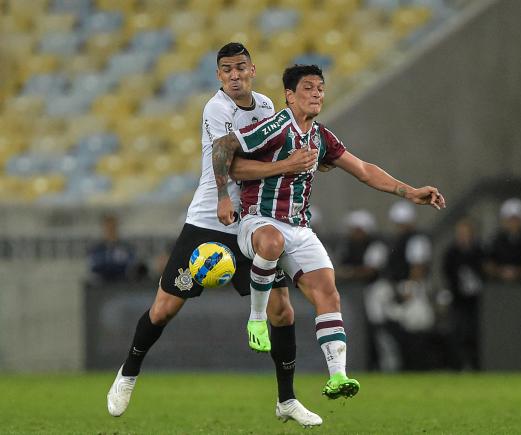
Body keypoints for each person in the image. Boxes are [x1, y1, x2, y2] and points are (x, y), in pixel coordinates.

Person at [107, 43, 322, 427]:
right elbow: (229, 160)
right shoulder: (216, 108)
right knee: (164, 309)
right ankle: (128, 372)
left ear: (252, 69)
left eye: (240, 67)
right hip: (209, 219)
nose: (234, 75)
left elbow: (274, 157)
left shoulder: (267, 107)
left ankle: (286, 399)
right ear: (219, 76)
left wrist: (307, 162)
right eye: (227, 70)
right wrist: (225, 195)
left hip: (253, 222)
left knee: (282, 310)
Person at [211, 64, 446, 398]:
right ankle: (256, 320)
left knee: (328, 293)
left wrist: (409, 191)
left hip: (299, 226)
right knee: (272, 241)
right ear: (289, 96)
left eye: (320, 88)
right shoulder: (276, 126)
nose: (317, 93)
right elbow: (223, 150)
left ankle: (338, 377)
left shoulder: (321, 136)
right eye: (307, 87)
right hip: (258, 220)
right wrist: (234, 192)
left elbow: (364, 170)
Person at [441, 217, 484, 370]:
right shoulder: (452, 253)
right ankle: (457, 365)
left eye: (466, 233)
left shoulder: (479, 251)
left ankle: (475, 365)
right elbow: (447, 273)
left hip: (476, 300)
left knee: (474, 333)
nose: (463, 236)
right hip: (458, 299)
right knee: (457, 332)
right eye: (461, 233)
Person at [484, 198, 521, 282]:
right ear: (503, 220)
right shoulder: (493, 239)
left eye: (517, 219)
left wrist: (517, 272)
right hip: (497, 286)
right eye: (510, 219)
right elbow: (487, 263)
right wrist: (501, 272)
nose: (513, 223)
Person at [87, 214, 143, 284]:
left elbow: (131, 267)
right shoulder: (96, 250)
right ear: (103, 229)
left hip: (122, 285)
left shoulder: (127, 249)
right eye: (108, 227)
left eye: (113, 227)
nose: (110, 230)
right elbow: (95, 268)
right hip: (102, 287)